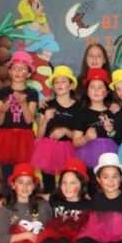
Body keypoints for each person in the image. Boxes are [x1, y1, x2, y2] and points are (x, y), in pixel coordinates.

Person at [0, 51, 39, 193]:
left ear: (28, 74)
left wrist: (23, 104)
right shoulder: (2, 92)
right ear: (9, 71)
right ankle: (8, 200)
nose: (18, 71)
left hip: (24, 139)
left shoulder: (32, 93)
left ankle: (25, 201)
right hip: (6, 139)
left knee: (24, 174)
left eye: (23, 69)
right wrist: (2, 111)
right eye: (15, 68)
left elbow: (29, 120)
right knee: (7, 176)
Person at [31, 65, 81, 195]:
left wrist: (65, 131)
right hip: (47, 149)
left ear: (71, 86)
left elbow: (80, 135)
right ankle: (50, 205)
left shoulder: (79, 107)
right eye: (56, 82)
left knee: (70, 181)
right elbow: (39, 135)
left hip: (70, 149)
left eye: (63, 81)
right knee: (49, 185)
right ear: (53, 87)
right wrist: (46, 119)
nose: (59, 85)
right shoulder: (47, 105)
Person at [72, 68, 119, 185]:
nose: (96, 90)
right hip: (88, 157)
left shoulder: (113, 112)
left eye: (100, 87)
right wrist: (86, 138)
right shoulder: (82, 113)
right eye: (92, 87)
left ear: (106, 92)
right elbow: (75, 142)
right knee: (91, 186)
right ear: (87, 92)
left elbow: (118, 137)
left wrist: (111, 131)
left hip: (110, 157)